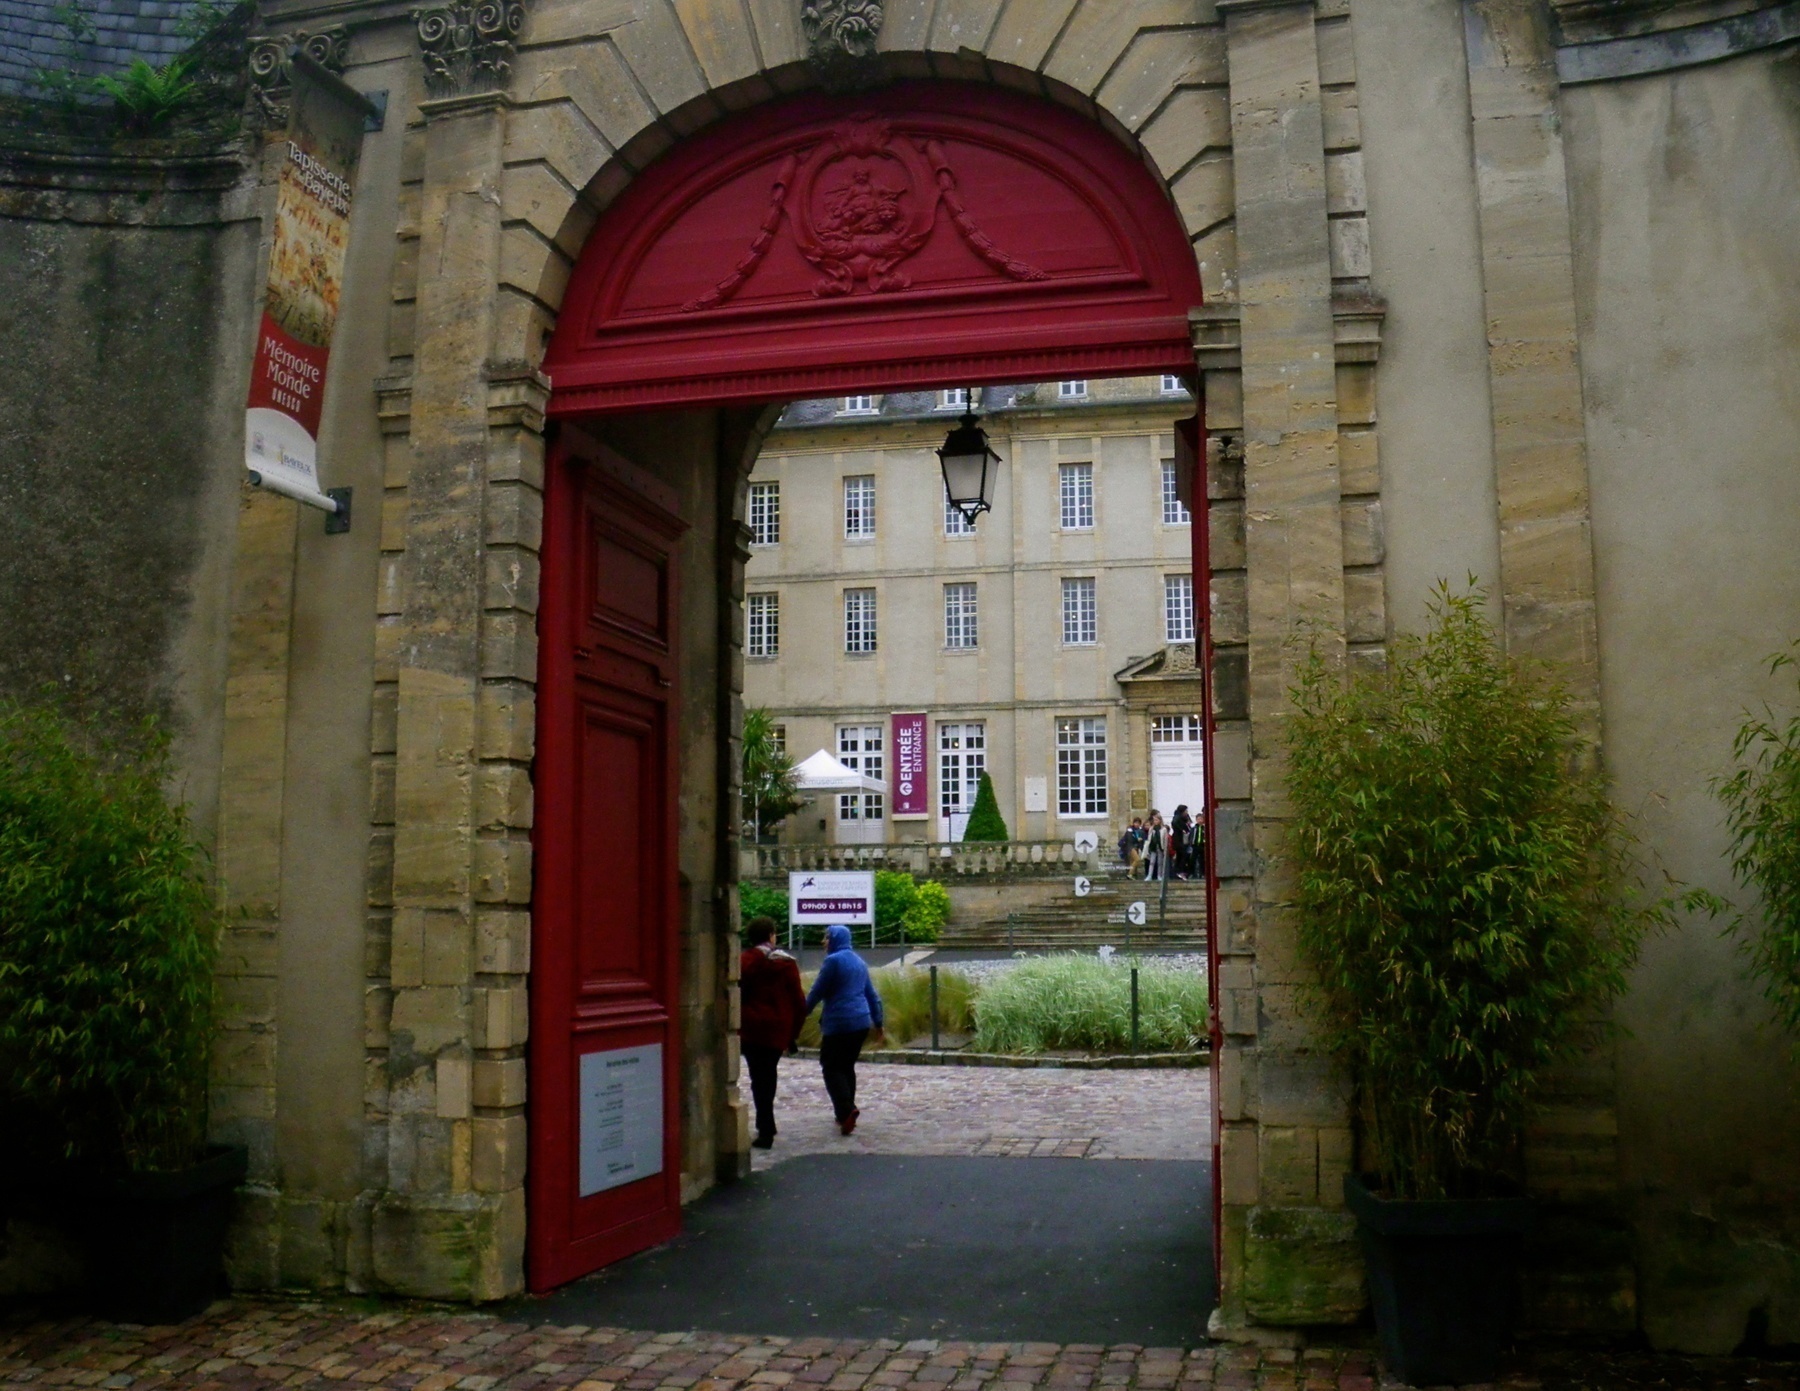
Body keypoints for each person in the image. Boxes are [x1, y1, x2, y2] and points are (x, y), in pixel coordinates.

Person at [802, 924, 884, 1134]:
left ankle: (846, 1110)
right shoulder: (859, 962)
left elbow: (817, 991)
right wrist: (878, 1022)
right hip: (861, 1022)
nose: (823, 942)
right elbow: (872, 995)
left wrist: (801, 1013)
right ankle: (846, 1113)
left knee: (831, 1066)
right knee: (846, 1066)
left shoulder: (833, 961)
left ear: (835, 939)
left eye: (827, 937)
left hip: (840, 1022)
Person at [738, 915, 807, 1149]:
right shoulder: (786, 963)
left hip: (751, 1028)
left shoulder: (743, 961)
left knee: (758, 1078)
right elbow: (798, 1002)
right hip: (777, 1029)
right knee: (768, 1075)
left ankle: (766, 1126)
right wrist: (793, 1032)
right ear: (771, 935)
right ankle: (766, 1125)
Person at [1143, 810, 1169, 881]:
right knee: (1152, 862)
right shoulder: (1151, 828)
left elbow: (1165, 839)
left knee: (1160, 862)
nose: (1155, 821)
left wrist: (1165, 848)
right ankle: (1149, 875)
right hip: (1153, 846)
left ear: (1160, 821)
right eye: (1154, 820)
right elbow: (1149, 838)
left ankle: (1159, 875)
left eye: (1157, 820)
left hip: (1160, 847)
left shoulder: (1163, 829)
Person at [1171, 804, 1194, 880]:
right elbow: (1176, 825)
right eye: (1185, 811)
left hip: (1183, 840)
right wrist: (1182, 829)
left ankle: (1179, 871)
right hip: (1179, 841)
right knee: (1182, 856)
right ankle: (1180, 871)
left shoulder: (1185, 818)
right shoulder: (1178, 819)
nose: (1187, 812)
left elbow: (1189, 826)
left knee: (1182, 856)